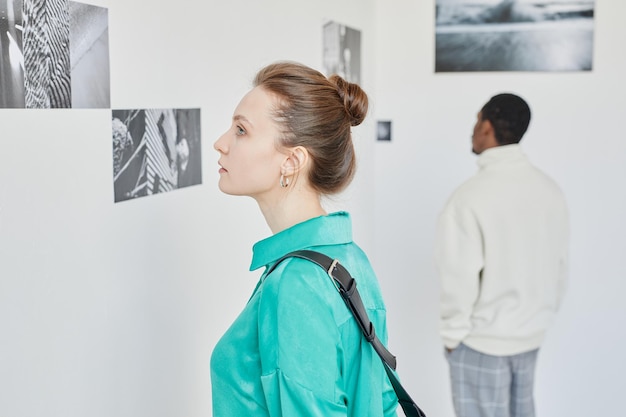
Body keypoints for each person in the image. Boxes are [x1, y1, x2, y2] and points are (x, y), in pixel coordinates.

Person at [210, 61, 398, 417]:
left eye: (241, 130)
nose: (220, 143)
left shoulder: (296, 284)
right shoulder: (350, 257)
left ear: (292, 161)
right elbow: (382, 402)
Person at [435, 93, 569, 417]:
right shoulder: (550, 189)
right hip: (531, 337)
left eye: (477, 120)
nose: (473, 129)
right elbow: (559, 267)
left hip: (482, 344)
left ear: (488, 127)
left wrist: (453, 338)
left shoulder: (468, 198)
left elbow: (458, 280)